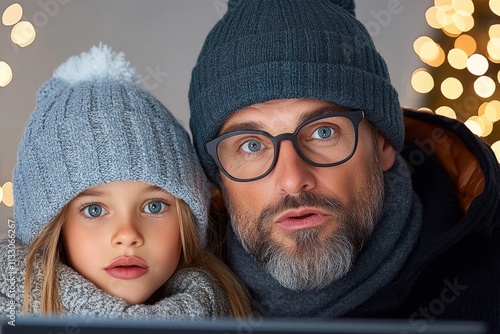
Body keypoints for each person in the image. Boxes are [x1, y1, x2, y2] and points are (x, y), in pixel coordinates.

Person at [188, 0, 500, 331]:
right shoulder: (164, 298)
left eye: (323, 132)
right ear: (219, 175)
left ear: (381, 144)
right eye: (252, 145)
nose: (293, 180)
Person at [0, 44, 252, 320]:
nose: (128, 235)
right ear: (50, 231)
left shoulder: (228, 314)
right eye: (94, 209)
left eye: (154, 206)